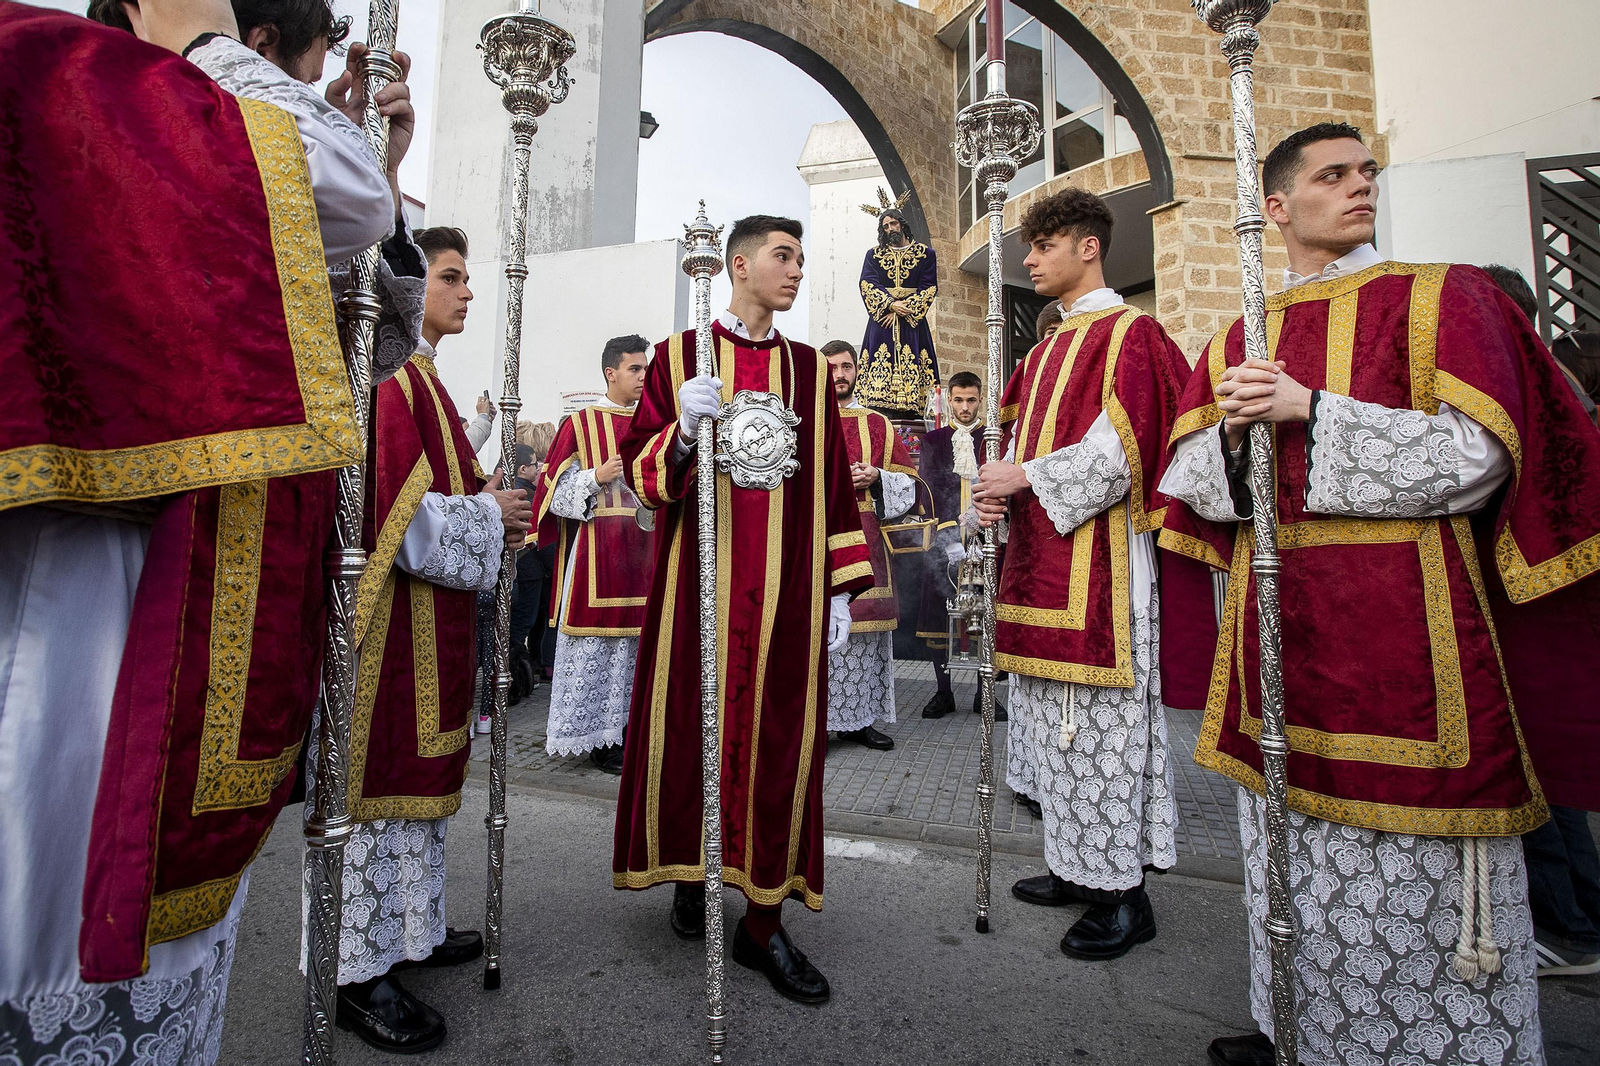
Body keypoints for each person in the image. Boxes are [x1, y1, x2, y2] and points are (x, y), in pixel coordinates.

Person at [1156, 122, 1600, 1066]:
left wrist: (1312, 410)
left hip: (1416, 636)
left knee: (1419, 879)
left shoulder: (1445, 296)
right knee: (1291, 850)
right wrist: (1236, 443)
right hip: (1278, 635)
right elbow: (1192, 484)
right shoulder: (1241, 331)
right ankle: (1298, 1026)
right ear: (1275, 207)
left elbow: (1480, 460)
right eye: (1332, 175)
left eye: (1367, 171)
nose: (1360, 186)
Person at [2, 2, 394, 1063]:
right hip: (90, 594)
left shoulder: (150, 132)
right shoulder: (58, 62)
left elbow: (339, 326)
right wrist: (203, 34)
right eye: (307, 77)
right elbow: (351, 194)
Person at [613, 215, 873, 1005]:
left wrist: (837, 589)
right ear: (738, 264)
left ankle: (762, 923)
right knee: (691, 735)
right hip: (700, 589)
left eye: (800, 257)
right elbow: (642, 478)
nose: (796, 270)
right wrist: (683, 434)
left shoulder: (804, 368)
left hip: (786, 596)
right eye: (782, 256)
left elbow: (829, 483)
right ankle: (695, 871)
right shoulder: (679, 357)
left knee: (778, 745)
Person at [320, 223, 532, 1054]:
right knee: (373, 801)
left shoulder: (431, 387)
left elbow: (452, 489)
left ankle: (410, 932)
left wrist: (496, 503)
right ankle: (353, 975)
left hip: (432, 628)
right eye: (452, 277)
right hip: (387, 639)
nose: (468, 292)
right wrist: (490, 515)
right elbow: (393, 515)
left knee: (419, 803)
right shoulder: (389, 383)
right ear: (412, 292)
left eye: (469, 278)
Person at [970, 188, 1188, 961]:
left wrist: (1023, 477)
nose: (1029, 260)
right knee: (1047, 736)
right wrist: (995, 489)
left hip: (1100, 575)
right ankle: (1074, 866)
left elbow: (1123, 454)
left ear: (1088, 247)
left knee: (1099, 736)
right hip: (1036, 569)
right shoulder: (1040, 351)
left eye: (1045, 244)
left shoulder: (1134, 336)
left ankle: (1123, 895)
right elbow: (1014, 448)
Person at [530, 336, 657, 774]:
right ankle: (602, 738)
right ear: (611, 373)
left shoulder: (657, 423)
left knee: (644, 651)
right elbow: (548, 497)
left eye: (646, 369)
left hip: (648, 554)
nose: (644, 376)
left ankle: (635, 732)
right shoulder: (581, 424)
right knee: (601, 654)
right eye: (635, 369)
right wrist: (594, 477)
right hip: (597, 557)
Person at [820, 339, 923, 752]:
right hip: (818, 538)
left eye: (846, 366)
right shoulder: (802, 420)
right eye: (832, 367)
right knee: (819, 633)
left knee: (865, 633)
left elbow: (913, 487)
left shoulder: (877, 423)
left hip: (867, 541)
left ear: (856, 370)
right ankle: (819, 723)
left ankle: (860, 720)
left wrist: (877, 477)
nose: (840, 374)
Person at [913, 371, 1009, 728]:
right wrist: (949, 537)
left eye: (971, 400)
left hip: (990, 535)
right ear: (949, 400)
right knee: (942, 609)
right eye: (958, 400)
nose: (965, 407)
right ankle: (943, 691)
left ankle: (986, 694)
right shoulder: (935, 440)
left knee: (987, 612)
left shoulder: (994, 437)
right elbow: (930, 487)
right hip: (947, 539)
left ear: (980, 398)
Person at [856, 204, 940, 419]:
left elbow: (929, 287)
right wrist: (890, 305)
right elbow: (867, 282)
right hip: (882, 321)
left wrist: (905, 309)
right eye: (885, 226)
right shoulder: (873, 255)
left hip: (911, 323)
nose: (890, 229)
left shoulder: (925, 254)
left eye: (893, 223)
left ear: (902, 224)